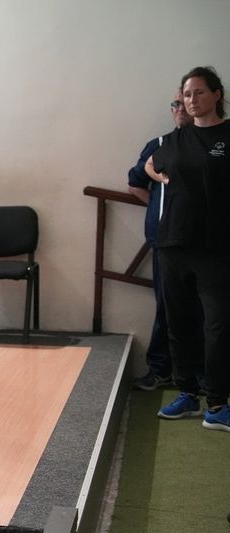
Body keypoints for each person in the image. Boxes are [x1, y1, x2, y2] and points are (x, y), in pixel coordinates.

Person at [146, 66, 230, 432]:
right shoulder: (172, 141)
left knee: (218, 326)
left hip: (216, 247)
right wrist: (158, 174)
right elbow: (151, 165)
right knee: (179, 324)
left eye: (198, 92)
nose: (190, 100)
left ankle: (217, 403)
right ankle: (187, 394)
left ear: (216, 94)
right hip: (173, 244)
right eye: (186, 94)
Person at [127, 91, 201, 391]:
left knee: (205, 309)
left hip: (204, 243)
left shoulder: (209, 145)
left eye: (186, 102)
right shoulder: (158, 146)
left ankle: (203, 375)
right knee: (167, 308)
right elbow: (135, 184)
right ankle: (161, 369)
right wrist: (163, 212)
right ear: (172, 111)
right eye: (176, 103)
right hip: (164, 241)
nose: (181, 107)